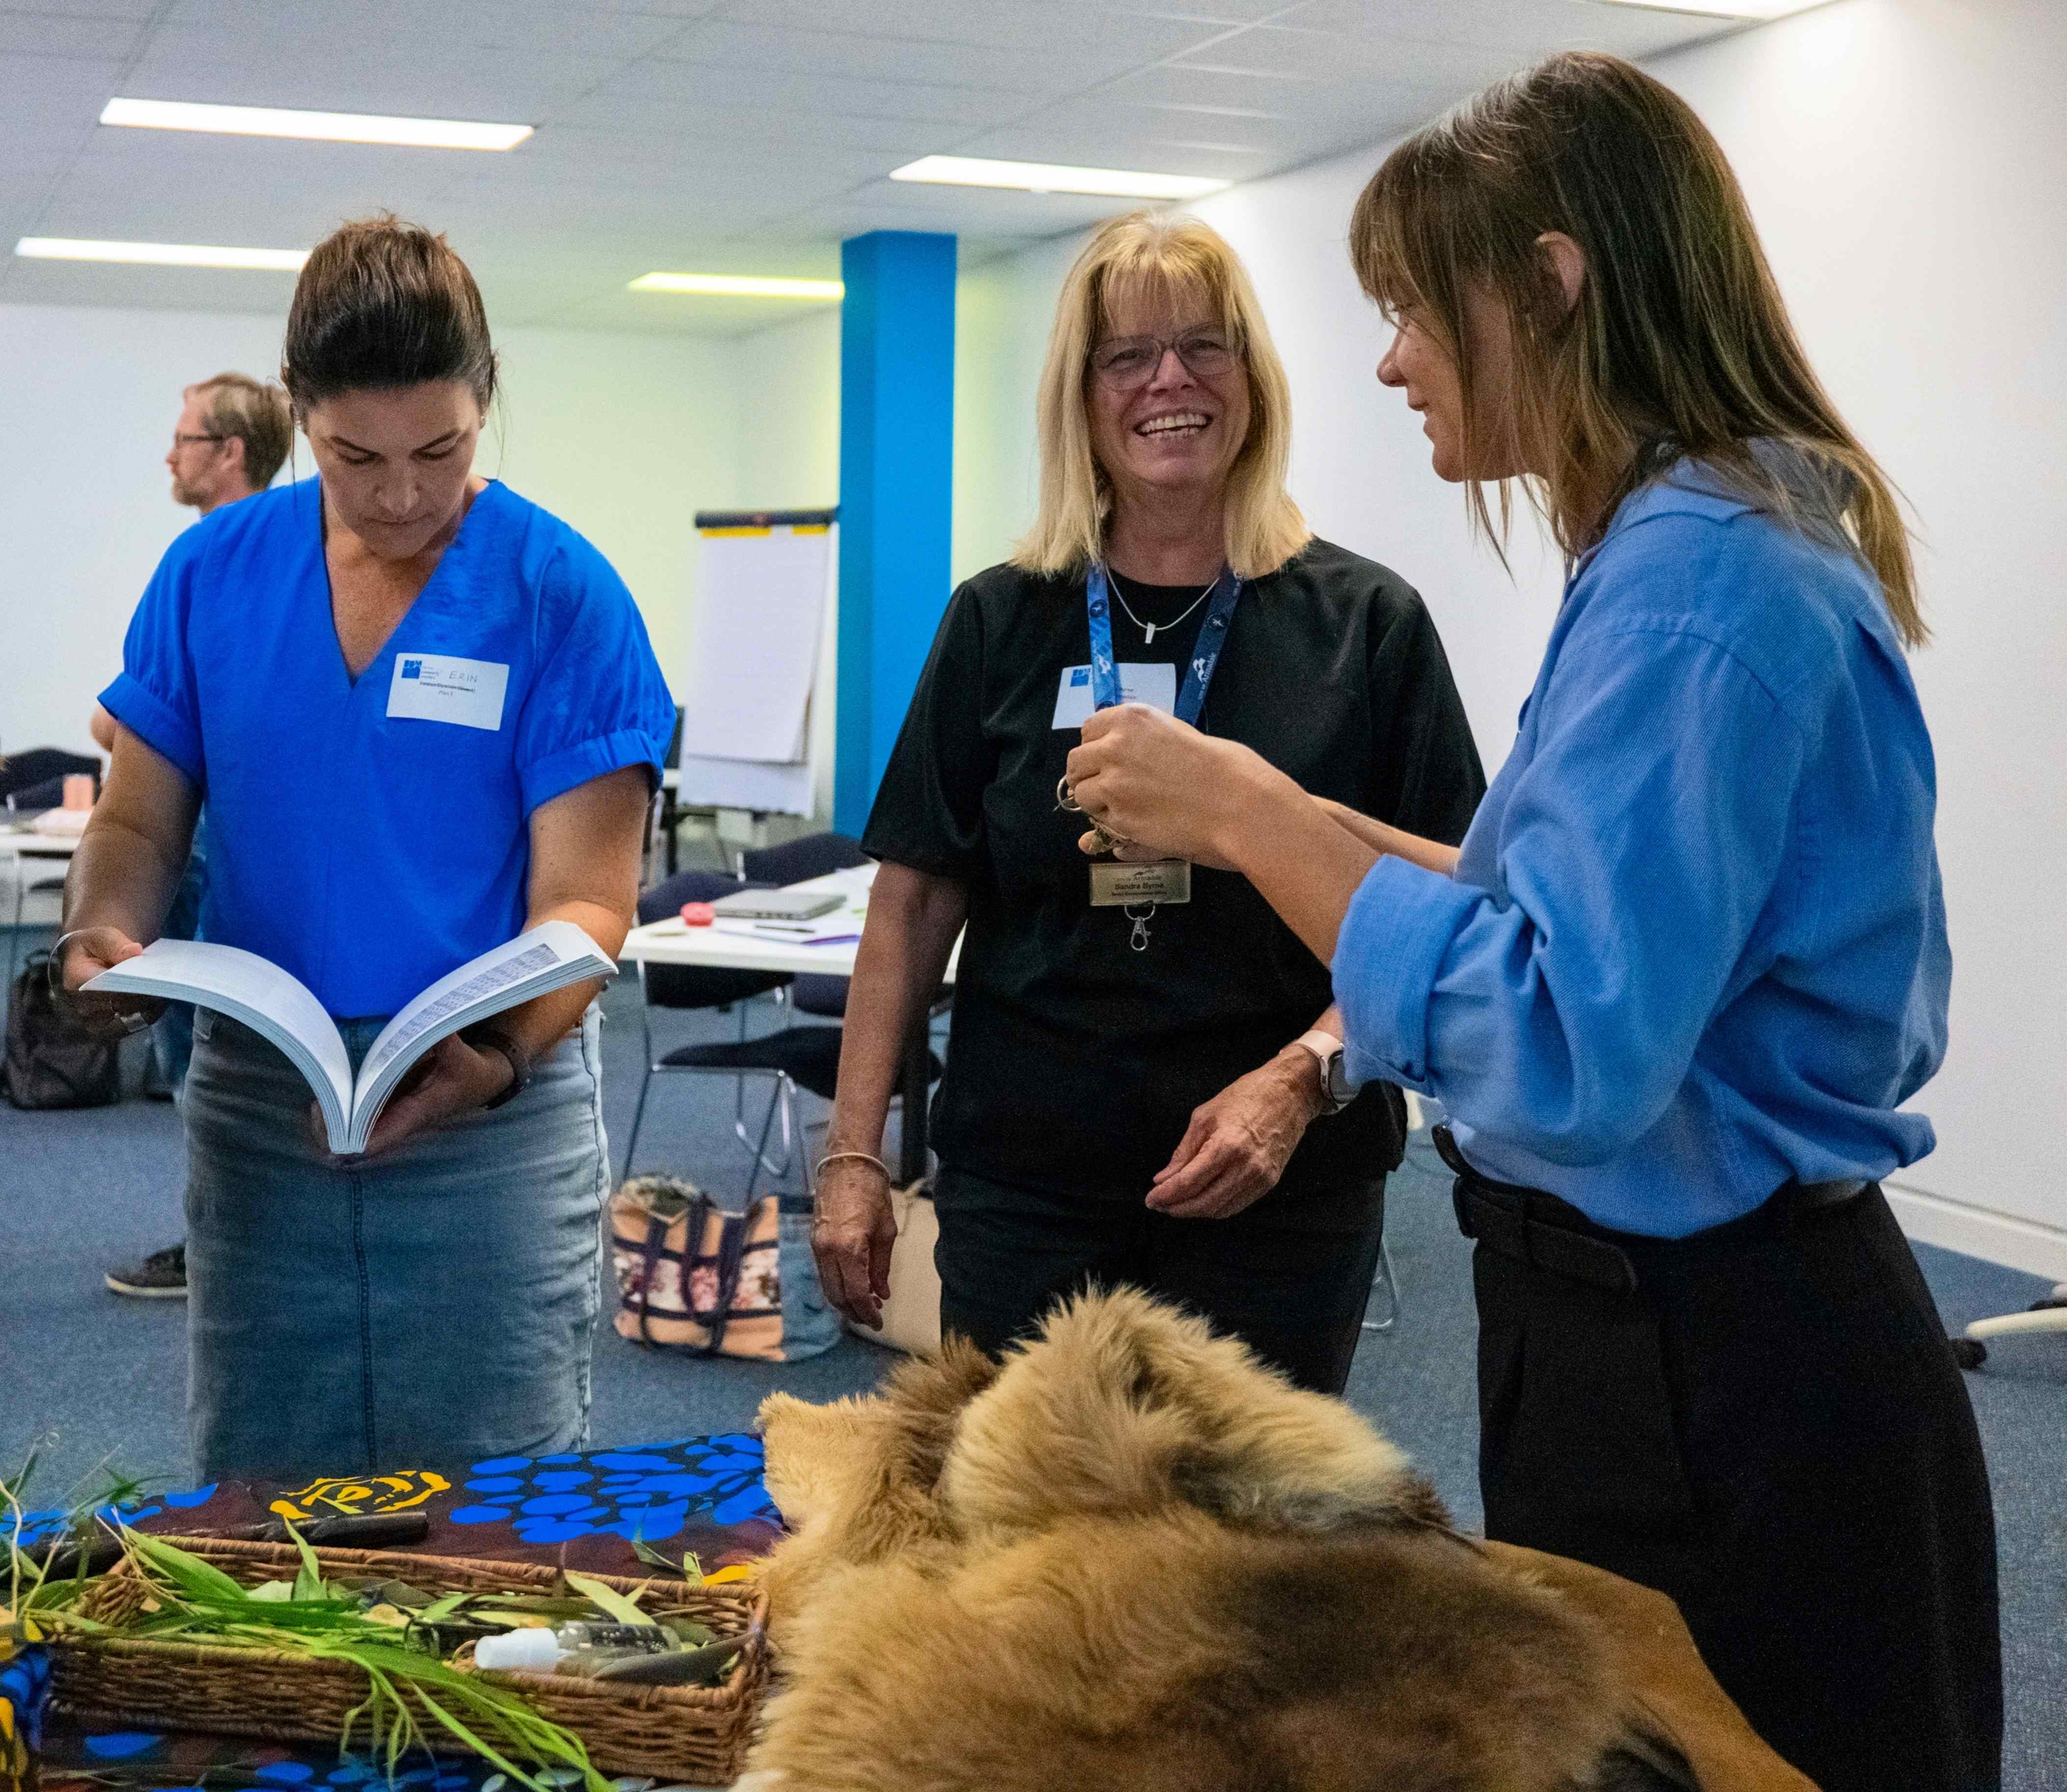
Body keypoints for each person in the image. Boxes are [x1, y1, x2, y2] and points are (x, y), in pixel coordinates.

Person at [1063, 52, 1998, 1792]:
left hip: (1718, 1361)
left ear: (1550, 284)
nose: (1392, 356)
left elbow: (1568, 1041)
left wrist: (1254, 821)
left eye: (1417, 307)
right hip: (1660, 1334)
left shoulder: (1704, 585)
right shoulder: (1686, 539)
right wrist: (1277, 800)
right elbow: (1526, 897)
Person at [812, 213, 1483, 1397]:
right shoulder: (1001, 618)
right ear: (1082, 398)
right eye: (1128, 356)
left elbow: (1443, 892)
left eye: (1203, 347)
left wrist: (1303, 1075)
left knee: (1245, 1553)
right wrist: (853, 1155)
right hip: (1028, 1186)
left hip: (1280, 1184)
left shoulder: (1364, 625)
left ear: (1254, 381)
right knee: (1020, 1544)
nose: (1169, 381)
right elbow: (913, 901)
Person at [57, 216, 674, 1480]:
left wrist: (494, 1055)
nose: (402, 494)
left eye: (440, 449)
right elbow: (134, 821)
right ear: (300, 418)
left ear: (486, 401)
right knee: (264, 1483)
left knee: (494, 1495)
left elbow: (586, 904)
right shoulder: (211, 574)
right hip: (264, 1102)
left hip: (490, 1098)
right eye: (355, 456)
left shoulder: (561, 593)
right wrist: (100, 935)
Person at [102, 372, 292, 1301]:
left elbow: (138, 730)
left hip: (210, 850)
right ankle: (222, 1240)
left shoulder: (228, 554)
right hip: (214, 842)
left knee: (209, 1059)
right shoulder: (277, 558)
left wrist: (130, 731)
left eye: (186, 439)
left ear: (230, 452)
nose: (170, 456)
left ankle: (218, 1246)